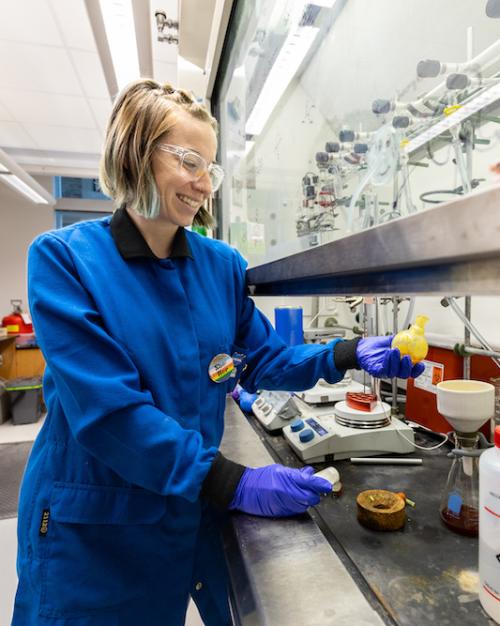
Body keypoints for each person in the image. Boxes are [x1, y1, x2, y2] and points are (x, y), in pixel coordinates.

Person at [11, 79, 424, 626]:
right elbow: (108, 414)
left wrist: (349, 352)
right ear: (135, 152)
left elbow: (266, 361)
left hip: (181, 512)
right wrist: (233, 482)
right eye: (188, 160)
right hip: (94, 529)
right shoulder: (65, 260)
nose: (204, 183)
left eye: (211, 166)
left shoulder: (219, 266)